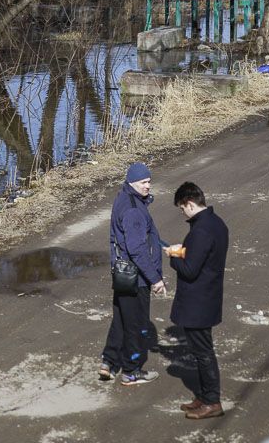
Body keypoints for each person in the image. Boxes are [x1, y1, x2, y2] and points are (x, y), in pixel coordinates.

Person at [99, 162, 166, 386]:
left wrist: (160, 244)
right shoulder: (134, 210)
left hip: (122, 274)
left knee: (120, 319)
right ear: (131, 183)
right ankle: (131, 371)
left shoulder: (123, 199)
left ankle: (108, 362)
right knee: (136, 326)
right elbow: (137, 249)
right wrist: (155, 279)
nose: (148, 185)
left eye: (149, 181)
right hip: (135, 278)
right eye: (143, 182)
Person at [166, 181, 229, 419]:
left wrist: (173, 255)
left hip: (198, 302)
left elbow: (190, 269)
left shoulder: (201, 230)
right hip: (208, 296)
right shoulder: (216, 224)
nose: (182, 213)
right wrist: (183, 251)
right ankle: (204, 396)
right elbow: (202, 258)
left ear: (189, 204)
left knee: (203, 353)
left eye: (182, 209)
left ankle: (212, 401)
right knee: (202, 351)